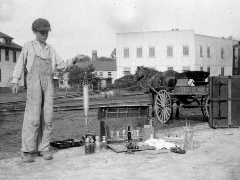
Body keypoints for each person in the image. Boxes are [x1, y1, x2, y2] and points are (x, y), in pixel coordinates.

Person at [12, 18, 85, 163]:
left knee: (47, 117)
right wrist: (15, 81)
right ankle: (27, 151)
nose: (45, 35)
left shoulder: (51, 49)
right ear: (34, 32)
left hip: (48, 85)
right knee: (32, 118)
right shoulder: (28, 46)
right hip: (33, 84)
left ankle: (44, 148)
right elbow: (20, 64)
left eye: (47, 32)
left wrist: (74, 59)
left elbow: (62, 65)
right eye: (42, 32)